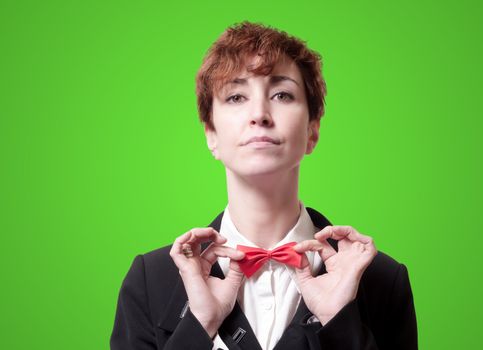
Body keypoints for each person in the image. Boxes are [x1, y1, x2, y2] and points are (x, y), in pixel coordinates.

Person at [110, 21, 417, 350]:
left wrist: (340, 321)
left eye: (282, 94)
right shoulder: (151, 280)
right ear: (210, 134)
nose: (259, 114)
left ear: (312, 130)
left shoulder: (381, 279)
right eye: (236, 96)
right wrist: (200, 325)